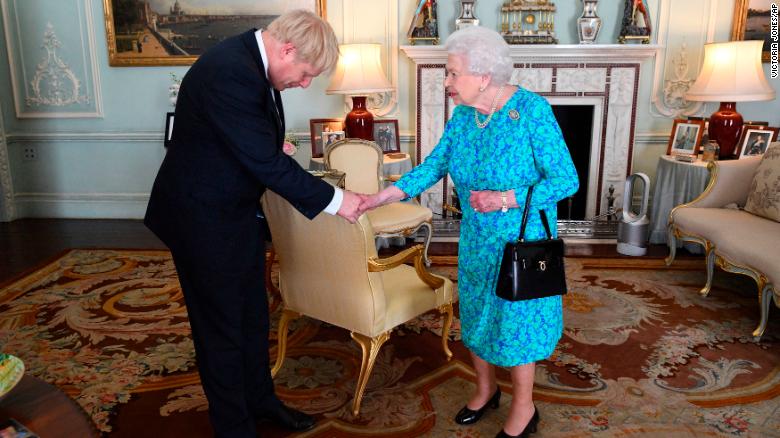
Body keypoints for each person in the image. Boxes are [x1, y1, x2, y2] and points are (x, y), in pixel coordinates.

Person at [144, 10, 364, 438]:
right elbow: (264, 162)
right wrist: (339, 200)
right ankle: (234, 426)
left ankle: (261, 401)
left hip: (235, 212)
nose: (304, 84)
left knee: (251, 317)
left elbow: (253, 144)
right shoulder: (230, 71)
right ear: (286, 49)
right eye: (305, 74)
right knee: (221, 329)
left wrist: (267, 145)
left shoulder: (251, 61)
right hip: (201, 219)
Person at [358, 26, 578, 438]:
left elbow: (566, 180)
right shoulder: (464, 115)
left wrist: (504, 198)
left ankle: (525, 407)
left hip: (521, 241)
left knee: (515, 322)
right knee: (476, 312)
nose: (446, 82)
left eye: (452, 73)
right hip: (477, 239)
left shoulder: (531, 111)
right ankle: (485, 389)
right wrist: (379, 197)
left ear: (483, 75)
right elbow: (433, 166)